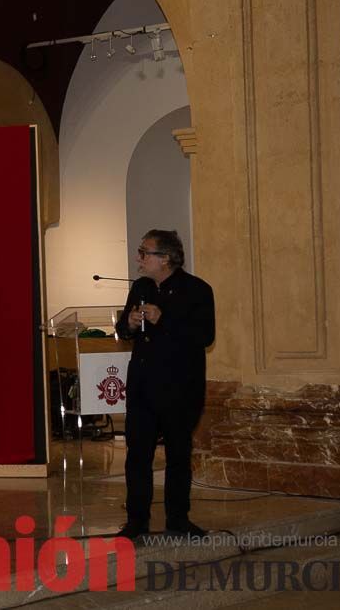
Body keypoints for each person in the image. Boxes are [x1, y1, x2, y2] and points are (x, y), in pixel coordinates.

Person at [114, 229, 215, 540]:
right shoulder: (142, 287)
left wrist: (164, 319)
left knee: (178, 455)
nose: (139, 258)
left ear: (166, 258)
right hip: (144, 387)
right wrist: (128, 325)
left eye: (145, 253)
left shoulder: (197, 290)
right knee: (137, 455)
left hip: (179, 388)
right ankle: (136, 521)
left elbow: (204, 336)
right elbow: (123, 330)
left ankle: (178, 518)